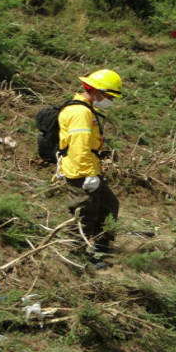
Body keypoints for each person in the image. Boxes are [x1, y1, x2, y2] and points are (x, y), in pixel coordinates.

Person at [58, 69, 122, 264]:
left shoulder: (86, 109)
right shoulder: (80, 112)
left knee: (109, 205)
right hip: (80, 170)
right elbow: (79, 145)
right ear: (95, 91)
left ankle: (101, 247)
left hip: (89, 167)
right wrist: (87, 175)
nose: (110, 99)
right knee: (84, 212)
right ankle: (75, 255)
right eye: (109, 95)